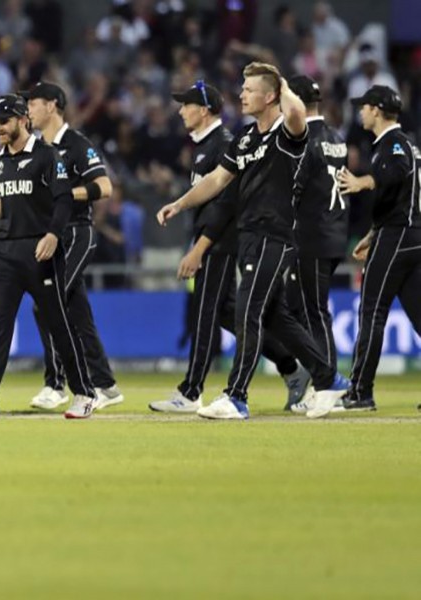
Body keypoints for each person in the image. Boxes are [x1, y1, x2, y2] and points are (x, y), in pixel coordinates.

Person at [157, 62, 348, 420]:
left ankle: (236, 395)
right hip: (250, 236)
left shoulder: (289, 135)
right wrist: (179, 203)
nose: (241, 94)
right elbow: (216, 181)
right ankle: (329, 378)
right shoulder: (245, 137)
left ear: (270, 95)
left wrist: (279, 78)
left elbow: (295, 112)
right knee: (275, 316)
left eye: (249, 89)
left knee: (248, 311)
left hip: (275, 236)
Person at [0, 94, 96, 419]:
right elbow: (14, 199)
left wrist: (53, 235)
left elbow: (62, 200)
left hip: (40, 251)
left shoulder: (47, 155)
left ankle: (85, 393)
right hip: (5, 253)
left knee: (58, 324)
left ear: (22, 120)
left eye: (4, 121)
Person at [22, 81, 123, 411]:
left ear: (51, 105)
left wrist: (65, 193)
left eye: (33, 103)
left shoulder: (77, 144)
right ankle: (105, 384)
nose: (29, 110)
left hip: (77, 232)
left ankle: (56, 384)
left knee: (46, 302)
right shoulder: (36, 149)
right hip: (52, 234)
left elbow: (104, 187)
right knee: (78, 313)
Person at [336, 85, 421, 414]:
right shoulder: (407, 143)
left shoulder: (395, 144)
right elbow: (401, 195)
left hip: (398, 235)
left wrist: (362, 182)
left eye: (364, 106)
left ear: (377, 110)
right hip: (409, 234)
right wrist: (373, 233)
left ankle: (360, 391)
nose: (360, 111)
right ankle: (360, 390)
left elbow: (393, 176)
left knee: (371, 310)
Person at [285, 75, 349, 412]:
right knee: (298, 308)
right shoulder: (337, 138)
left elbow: (293, 191)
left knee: (314, 312)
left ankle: (328, 386)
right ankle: (320, 379)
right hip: (334, 232)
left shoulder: (303, 140)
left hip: (311, 236)